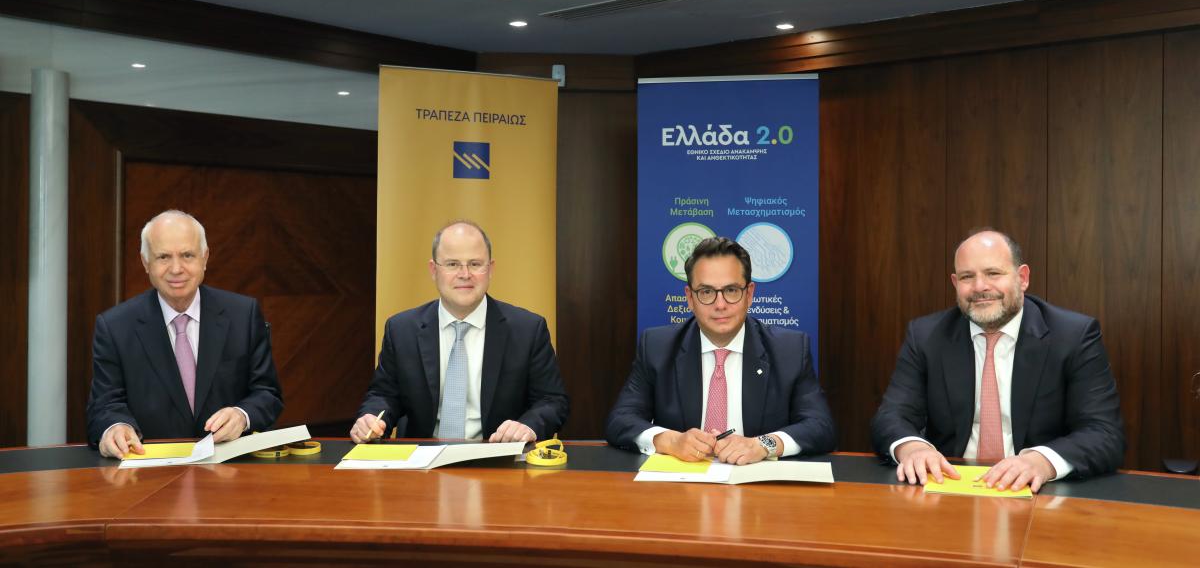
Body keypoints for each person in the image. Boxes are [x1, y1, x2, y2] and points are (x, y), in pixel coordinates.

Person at [871, 229, 1124, 492]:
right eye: (967, 277)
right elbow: (892, 415)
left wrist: (1042, 462)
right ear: (955, 283)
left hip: (1039, 493)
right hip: (950, 486)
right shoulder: (926, 336)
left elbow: (1104, 432)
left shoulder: (1073, 336)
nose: (980, 287)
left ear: (1022, 278)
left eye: (993, 273)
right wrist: (913, 448)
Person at [605, 237, 835, 464]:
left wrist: (763, 445)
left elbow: (820, 426)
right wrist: (670, 441)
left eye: (731, 290)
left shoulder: (789, 350)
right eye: (706, 292)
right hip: (681, 482)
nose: (720, 304)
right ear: (690, 298)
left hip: (758, 482)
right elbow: (621, 419)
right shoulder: (657, 347)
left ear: (749, 294)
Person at [86, 210, 284, 458]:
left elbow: (268, 394)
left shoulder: (243, 314)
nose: (176, 268)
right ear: (146, 263)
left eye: (187, 255)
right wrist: (115, 427)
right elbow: (104, 406)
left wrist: (242, 416)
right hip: (149, 468)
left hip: (231, 468)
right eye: (163, 257)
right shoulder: (115, 326)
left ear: (205, 258)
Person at [351, 221, 568, 444]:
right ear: (434, 270)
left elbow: (552, 401)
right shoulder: (401, 329)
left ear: (490, 269)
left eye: (475, 264)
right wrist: (370, 420)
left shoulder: (528, 330)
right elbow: (383, 395)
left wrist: (528, 426)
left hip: (497, 455)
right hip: (421, 457)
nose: (465, 274)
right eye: (452, 264)